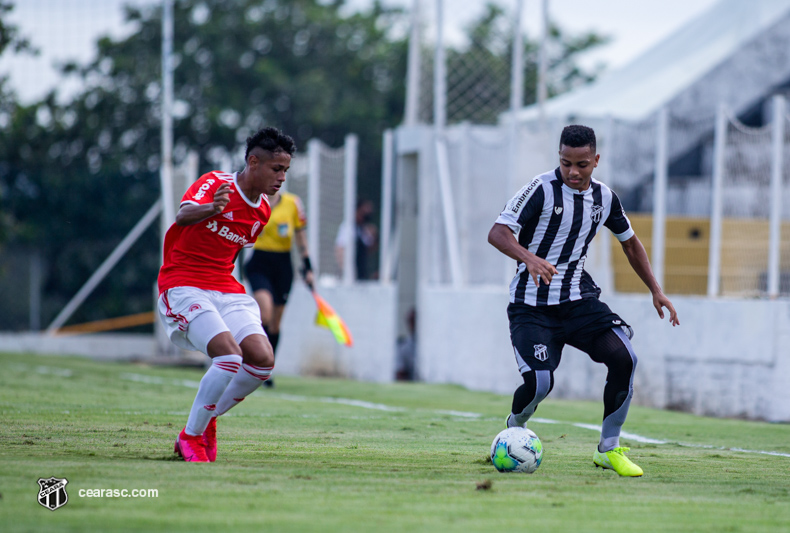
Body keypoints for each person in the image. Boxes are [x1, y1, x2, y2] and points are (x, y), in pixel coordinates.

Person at [487, 124, 679, 477]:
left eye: (582, 164)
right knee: (540, 384)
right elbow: (498, 233)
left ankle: (608, 449)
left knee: (625, 358)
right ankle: (513, 431)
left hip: (578, 301)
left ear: (596, 160)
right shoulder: (540, 189)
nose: (573, 172)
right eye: (566, 163)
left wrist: (656, 289)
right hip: (531, 306)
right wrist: (529, 258)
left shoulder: (605, 198)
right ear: (558, 158)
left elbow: (630, 243)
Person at [157, 126, 296, 462]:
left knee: (263, 361)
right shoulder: (216, 183)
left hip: (224, 286)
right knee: (230, 357)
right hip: (184, 282)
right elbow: (182, 215)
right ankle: (190, 436)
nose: (281, 178)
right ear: (253, 161)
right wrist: (212, 209)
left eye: (286, 171)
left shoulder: (262, 210)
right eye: (277, 169)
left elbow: (231, 255)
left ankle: (205, 422)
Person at [244, 188, 314, 388]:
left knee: (275, 324)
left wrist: (308, 267)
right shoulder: (255, 201)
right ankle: (254, 361)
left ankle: (266, 368)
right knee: (264, 314)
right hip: (259, 263)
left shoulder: (293, 203)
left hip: (283, 266)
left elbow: (300, 236)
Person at [335, 198, 377, 280]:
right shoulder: (347, 227)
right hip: (350, 273)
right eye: (362, 214)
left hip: (362, 273)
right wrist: (345, 270)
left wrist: (375, 236)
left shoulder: (364, 229)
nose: (363, 217)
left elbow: (370, 249)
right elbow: (339, 249)